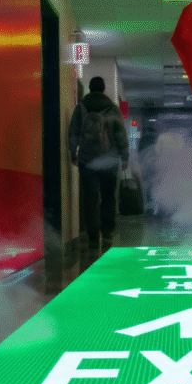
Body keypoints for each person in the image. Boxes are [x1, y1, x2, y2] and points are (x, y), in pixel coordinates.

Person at [68, 76, 130, 252]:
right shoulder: (113, 108)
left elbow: (73, 132)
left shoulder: (81, 107)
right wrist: (124, 157)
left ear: (89, 88)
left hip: (87, 161)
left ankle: (93, 238)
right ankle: (107, 234)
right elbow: (121, 135)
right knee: (108, 198)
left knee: (90, 199)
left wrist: (74, 153)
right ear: (103, 89)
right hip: (109, 161)